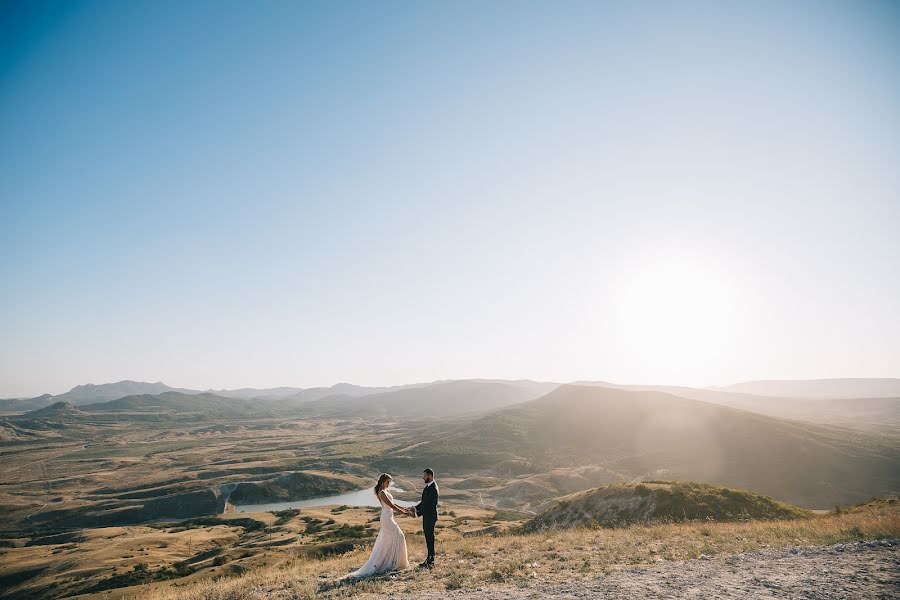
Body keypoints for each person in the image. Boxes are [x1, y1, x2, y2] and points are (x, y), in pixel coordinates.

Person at [344, 473, 411, 578]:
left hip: (389, 517)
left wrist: (404, 509)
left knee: (390, 539)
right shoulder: (382, 492)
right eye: (388, 482)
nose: (389, 484)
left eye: (390, 482)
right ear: (383, 481)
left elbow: (393, 503)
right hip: (386, 518)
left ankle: (393, 561)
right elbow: (390, 505)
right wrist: (403, 513)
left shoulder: (386, 491)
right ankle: (392, 562)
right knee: (400, 536)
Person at [411, 468, 438, 568]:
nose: (423, 478)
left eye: (425, 476)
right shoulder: (428, 487)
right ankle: (429, 559)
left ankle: (431, 560)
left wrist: (417, 514)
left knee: (430, 537)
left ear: (430, 476)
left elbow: (428, 505)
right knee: (428, 537)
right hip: (427, 516)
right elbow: (424, 502)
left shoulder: (433, 488)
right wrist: (415, 508)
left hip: (430, 516)